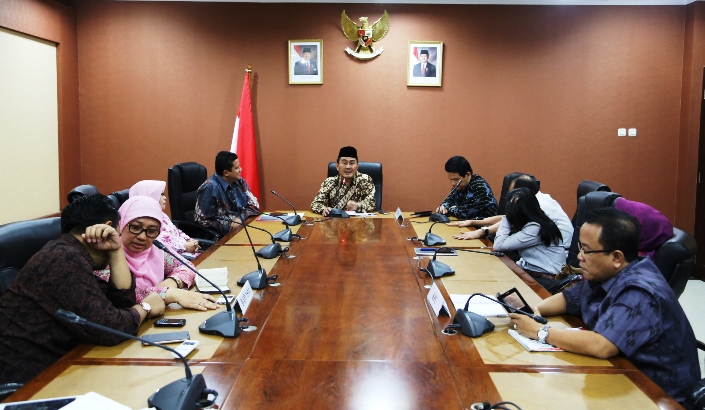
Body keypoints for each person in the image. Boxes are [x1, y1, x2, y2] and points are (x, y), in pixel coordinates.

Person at [509, 208, 699, 404]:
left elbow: (602, 346)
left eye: (587, 250)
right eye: (580, 248)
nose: (579, 256)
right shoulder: (608, 272)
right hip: (621, 375)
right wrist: (536, 310)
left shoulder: (640, 291)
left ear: (616, 257)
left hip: (657, 395)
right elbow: (569, 298)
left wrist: (540, 331)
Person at [0, 194, 166, 384]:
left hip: (59, 368)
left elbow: (122, 303)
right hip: (28, 384)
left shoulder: (67, 253)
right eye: (118, 234)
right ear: (106, 228)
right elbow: (111, 329)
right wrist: (145, 307)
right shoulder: (64, 259)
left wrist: (116, 251)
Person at [96, 196, 218, 311]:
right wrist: (168, 293)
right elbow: (124, 296)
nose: (142, 237)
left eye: (152, 231)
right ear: (121, 224)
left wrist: (172, 282)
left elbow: (187, 266)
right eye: (136, 227)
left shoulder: (155, 249)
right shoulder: (104, 256)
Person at [450, 175, 572, 244]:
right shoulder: (534, 199)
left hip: (554, 254)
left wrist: (481, 232)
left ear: (521, 192)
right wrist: (474, 222)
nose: (509, 196)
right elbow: (507, 217)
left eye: (512, 193)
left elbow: (510, 221)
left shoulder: (540, 204)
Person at [493, 188, 566, 280]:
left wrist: (507, 217)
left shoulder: (536, 228)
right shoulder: (536, 221)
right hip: (533, 272)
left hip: (547, 279)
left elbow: (499, 246)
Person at [195, 151, 260, 236]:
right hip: (221, 236)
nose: (240, 170)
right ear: (226, 173)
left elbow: (254, 206)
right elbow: (202, 221)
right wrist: (230, 227)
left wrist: (240, 218)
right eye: (237, 168)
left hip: (241, 228)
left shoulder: (239, 181)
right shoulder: (209, 188)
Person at [129, 180, 200, 257]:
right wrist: (185, 246)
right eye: (161, 194)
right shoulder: (145, 220)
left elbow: (176, 231)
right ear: (149, 196)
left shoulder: (161, 214)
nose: (165, 197)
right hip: (172, 257)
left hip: (185, 252)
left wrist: (189, 240)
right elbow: (160, 244)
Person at [311, 146, 376, 216]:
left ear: (357, 166)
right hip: (335, 220)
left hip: (358, 220)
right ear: (337, 166)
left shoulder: (365, 180)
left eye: (352, 163)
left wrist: (357, 206)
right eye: (344, 163)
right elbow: (316, 203)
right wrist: (323, 209)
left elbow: (372, 203)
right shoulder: (329, 182)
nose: (348, 167)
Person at [436, 156, 498, 220]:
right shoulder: (460, 185)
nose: (453, 183)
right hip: (468, 223)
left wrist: (450, 209)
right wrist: (443, 207)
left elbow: (464, 214)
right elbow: (449, 200)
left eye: (456, 179)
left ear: (468, 175)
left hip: (487, 225)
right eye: (451, 180)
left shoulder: (479, 187)